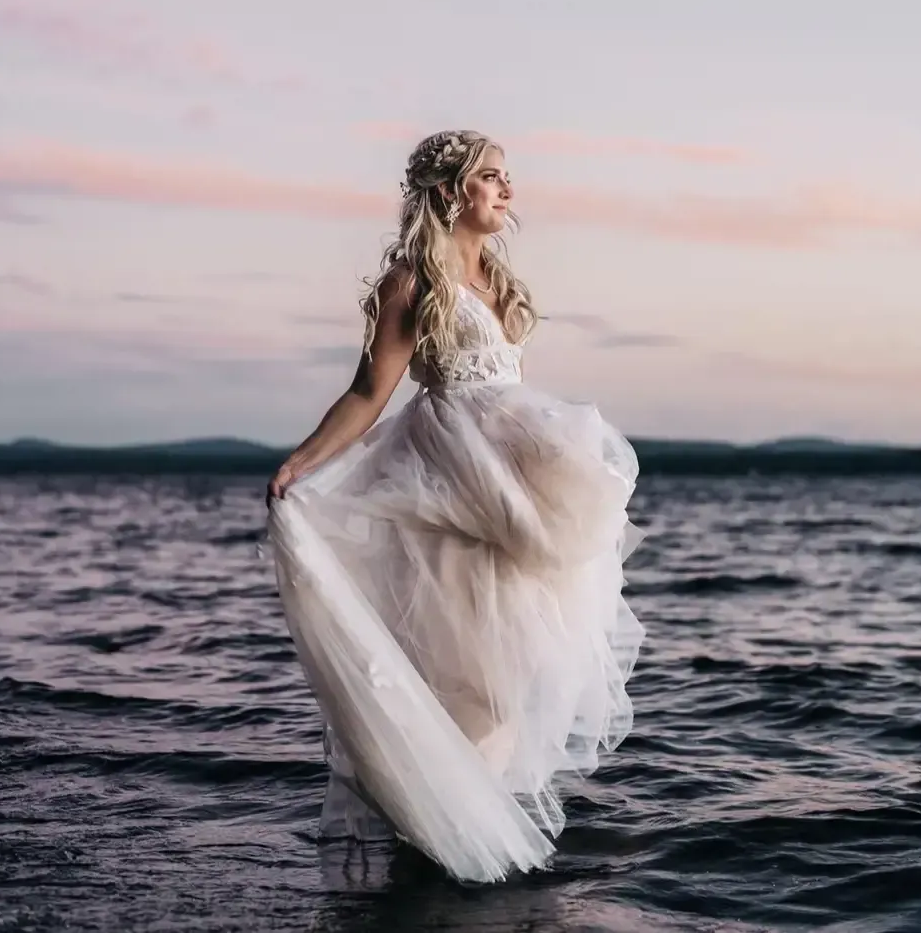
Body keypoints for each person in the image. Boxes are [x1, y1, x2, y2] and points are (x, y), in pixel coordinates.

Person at [266, 129, 644, 884]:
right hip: (448, 484)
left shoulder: (500, 280)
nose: (508, 191)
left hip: (513, 491)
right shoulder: (412, 281)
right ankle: (443, 841)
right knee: (471, 673)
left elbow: (509, 392)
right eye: (492, 178)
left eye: (508, 178)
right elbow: (371, 393)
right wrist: (303, 460)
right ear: (450, 191)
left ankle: (463, 832)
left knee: (522, 668)